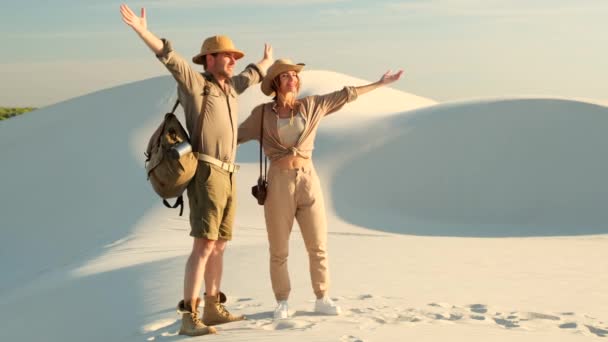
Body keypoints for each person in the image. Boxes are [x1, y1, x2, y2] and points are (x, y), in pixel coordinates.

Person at [120, 4, 273, 336]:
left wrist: (265, 61)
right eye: (225, 55)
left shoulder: (232, 86)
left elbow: (252, 73)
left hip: (229, 174)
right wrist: (142, 30)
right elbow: (169, 58)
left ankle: (213, 306)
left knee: (219, 244)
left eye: (234, 56)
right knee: (204, 245)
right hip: (206, 173)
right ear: (208, 59)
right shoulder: (195, 84)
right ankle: (189, 315)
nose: (232, 60)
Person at [238, 59, 403, 319]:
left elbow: (345, 95)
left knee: (318, 245)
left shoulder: (312, 105)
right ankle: (282, 301)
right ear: (275, 84)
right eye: (286, 76)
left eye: (294, 74)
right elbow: (233, 136)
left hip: (308, 179)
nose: (292, 78)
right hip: (279, 181)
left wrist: (380, 84)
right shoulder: (261, 114)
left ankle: (322, 296)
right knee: (279, 248)